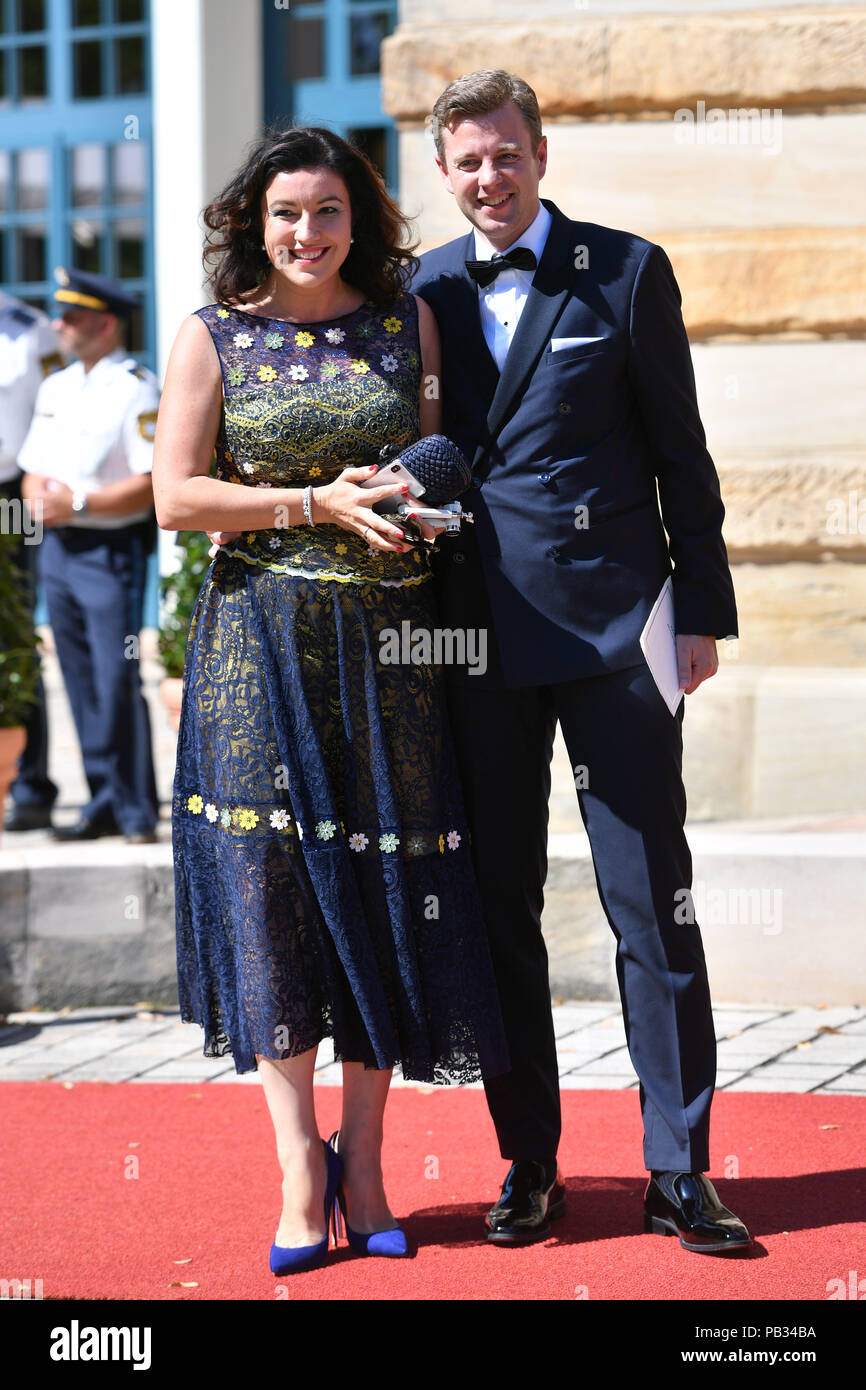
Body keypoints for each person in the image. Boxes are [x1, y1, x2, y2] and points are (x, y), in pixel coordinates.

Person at [152, 126, 509, 1274]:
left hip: (392, 649)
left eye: (328, 212)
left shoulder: (408, 322)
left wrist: (426, 508)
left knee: (390, 883)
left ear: (361, 219)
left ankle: (366, 1158)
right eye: (285, 215)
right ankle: (300, 1165)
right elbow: (174, 496)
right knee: (271, 896)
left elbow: (430, 457)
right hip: (255, 649)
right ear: (254, 224)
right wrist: (312, 504)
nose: (307, 234)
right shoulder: (213, 335)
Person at [411, 69, 751, 1253]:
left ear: (540, 155)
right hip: (475, 641)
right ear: (441, 174)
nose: (489, 178)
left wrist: (699, 612)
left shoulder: (624, 270)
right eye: (467, 162)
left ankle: (679, 1169)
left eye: (507, 155)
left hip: (616, 633)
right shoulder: (419, 290)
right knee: (499, 909)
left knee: (651, 898)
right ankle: (529, 1165)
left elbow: (679, 452)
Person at [18, 268, 160, 844]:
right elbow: (32, 468)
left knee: (114, 676)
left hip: (109, 547)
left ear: (103, 323)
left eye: (71, 316)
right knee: (77, 676)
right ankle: (101, 798)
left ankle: (134, 809)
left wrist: (75, 503)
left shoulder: (136, 387)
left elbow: (151, 481)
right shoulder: (57, 386)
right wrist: (41, 502)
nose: (59, 325)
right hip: (59, 549)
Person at [0, 291, 63, 831]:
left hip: (8, 499)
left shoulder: (28, 328)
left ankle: (30, 783)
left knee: (13, 637)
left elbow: (61, 411)